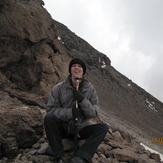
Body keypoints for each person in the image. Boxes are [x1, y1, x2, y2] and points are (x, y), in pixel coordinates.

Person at [44, 58, 108, 163]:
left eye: (80, 66)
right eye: (74, 66)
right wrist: (70, 113)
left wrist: (83, 100)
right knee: (49, 118)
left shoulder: (90, 89)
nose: (76, 68)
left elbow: (94, 112)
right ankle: (58, 156)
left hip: (80, 129)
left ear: (83, 71)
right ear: (70, 70)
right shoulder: (59, 88)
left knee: (103, 127)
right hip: (63, 128)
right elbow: (50, 110)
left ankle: (81, 156)